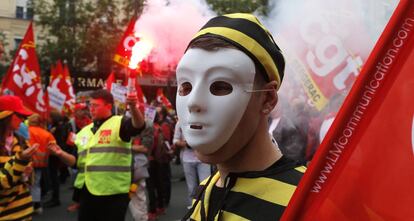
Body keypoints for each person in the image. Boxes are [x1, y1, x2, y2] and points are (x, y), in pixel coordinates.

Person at [176, 13, 306, 220]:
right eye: (185, 86)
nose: (193, 103)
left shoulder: (308, 200)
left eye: (220, 86)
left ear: (267, 99)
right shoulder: (205, 190)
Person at [48, 89, 147, 221]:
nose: (91, 109)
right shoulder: (84, 131)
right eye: (90, 105)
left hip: (114, 193)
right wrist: (60, 154)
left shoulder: (119, 123)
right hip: (88, 192)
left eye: (95, 105)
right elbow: (77, 162)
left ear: (108, 106)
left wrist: (133, 107)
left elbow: (138, 126)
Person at [0, 95, 38, 220]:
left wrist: (26, 175)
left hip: (24, 213)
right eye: (20, 115)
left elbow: (29, 182)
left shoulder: (22, 142)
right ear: (5, 116)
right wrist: (21, 162)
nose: (23, 120)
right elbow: (2, 183)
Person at [173, 121, 211, 209]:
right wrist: (186, 144)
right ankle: (193, 207)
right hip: (187, 159)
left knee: (205, 184)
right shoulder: (180, 123)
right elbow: (175, 140)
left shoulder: (204, 120)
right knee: (192, 186)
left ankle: (206, 206)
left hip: (203, 158)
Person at [27, 113, 56, 214]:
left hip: (26, 162)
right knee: (36, 184)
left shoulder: (25, 131)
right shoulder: (47, 133)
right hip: (41, 163)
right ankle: (37, 205)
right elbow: (54, 148)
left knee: (26, 184)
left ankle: (27, 205)